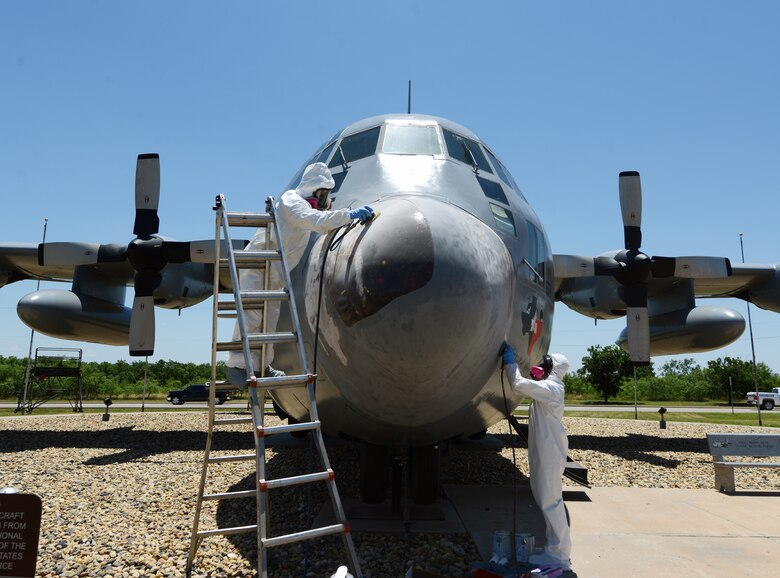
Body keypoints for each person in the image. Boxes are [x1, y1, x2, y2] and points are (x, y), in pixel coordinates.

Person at [226, 162, 373, 385]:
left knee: (269, 320)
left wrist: (340, 217)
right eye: (322, 194)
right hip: (259, 264)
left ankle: (262, 365)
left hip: (275, 270)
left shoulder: (303, 208)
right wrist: (349, 215)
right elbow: (316, 221)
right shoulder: (290, 201)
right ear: (312, 189)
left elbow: (318, 219)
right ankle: (236, 367)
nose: (324, 200)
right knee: (252, 315)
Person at [501, 343, 572, 572]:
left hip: (549, 454)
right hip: (545, 451)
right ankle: (553, 549)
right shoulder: (550, 387)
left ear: (553, 368)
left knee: (551, 502)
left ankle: (559, 555)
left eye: (546, 363)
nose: (541, 365)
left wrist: (511, 363)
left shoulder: (551, 389)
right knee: (546, 500)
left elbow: (519, 384)